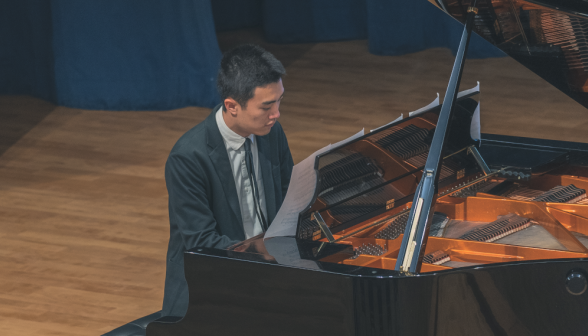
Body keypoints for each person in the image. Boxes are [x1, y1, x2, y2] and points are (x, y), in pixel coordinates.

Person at [161, 44, 294, 317]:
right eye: (267, 106)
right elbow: (202, 240)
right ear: (232, 106)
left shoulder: (272, 133)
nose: (276, 113)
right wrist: (264, 257)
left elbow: (288, 197)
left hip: (270, 270)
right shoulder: (188, 157)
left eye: (280, 101)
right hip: (213, 281)